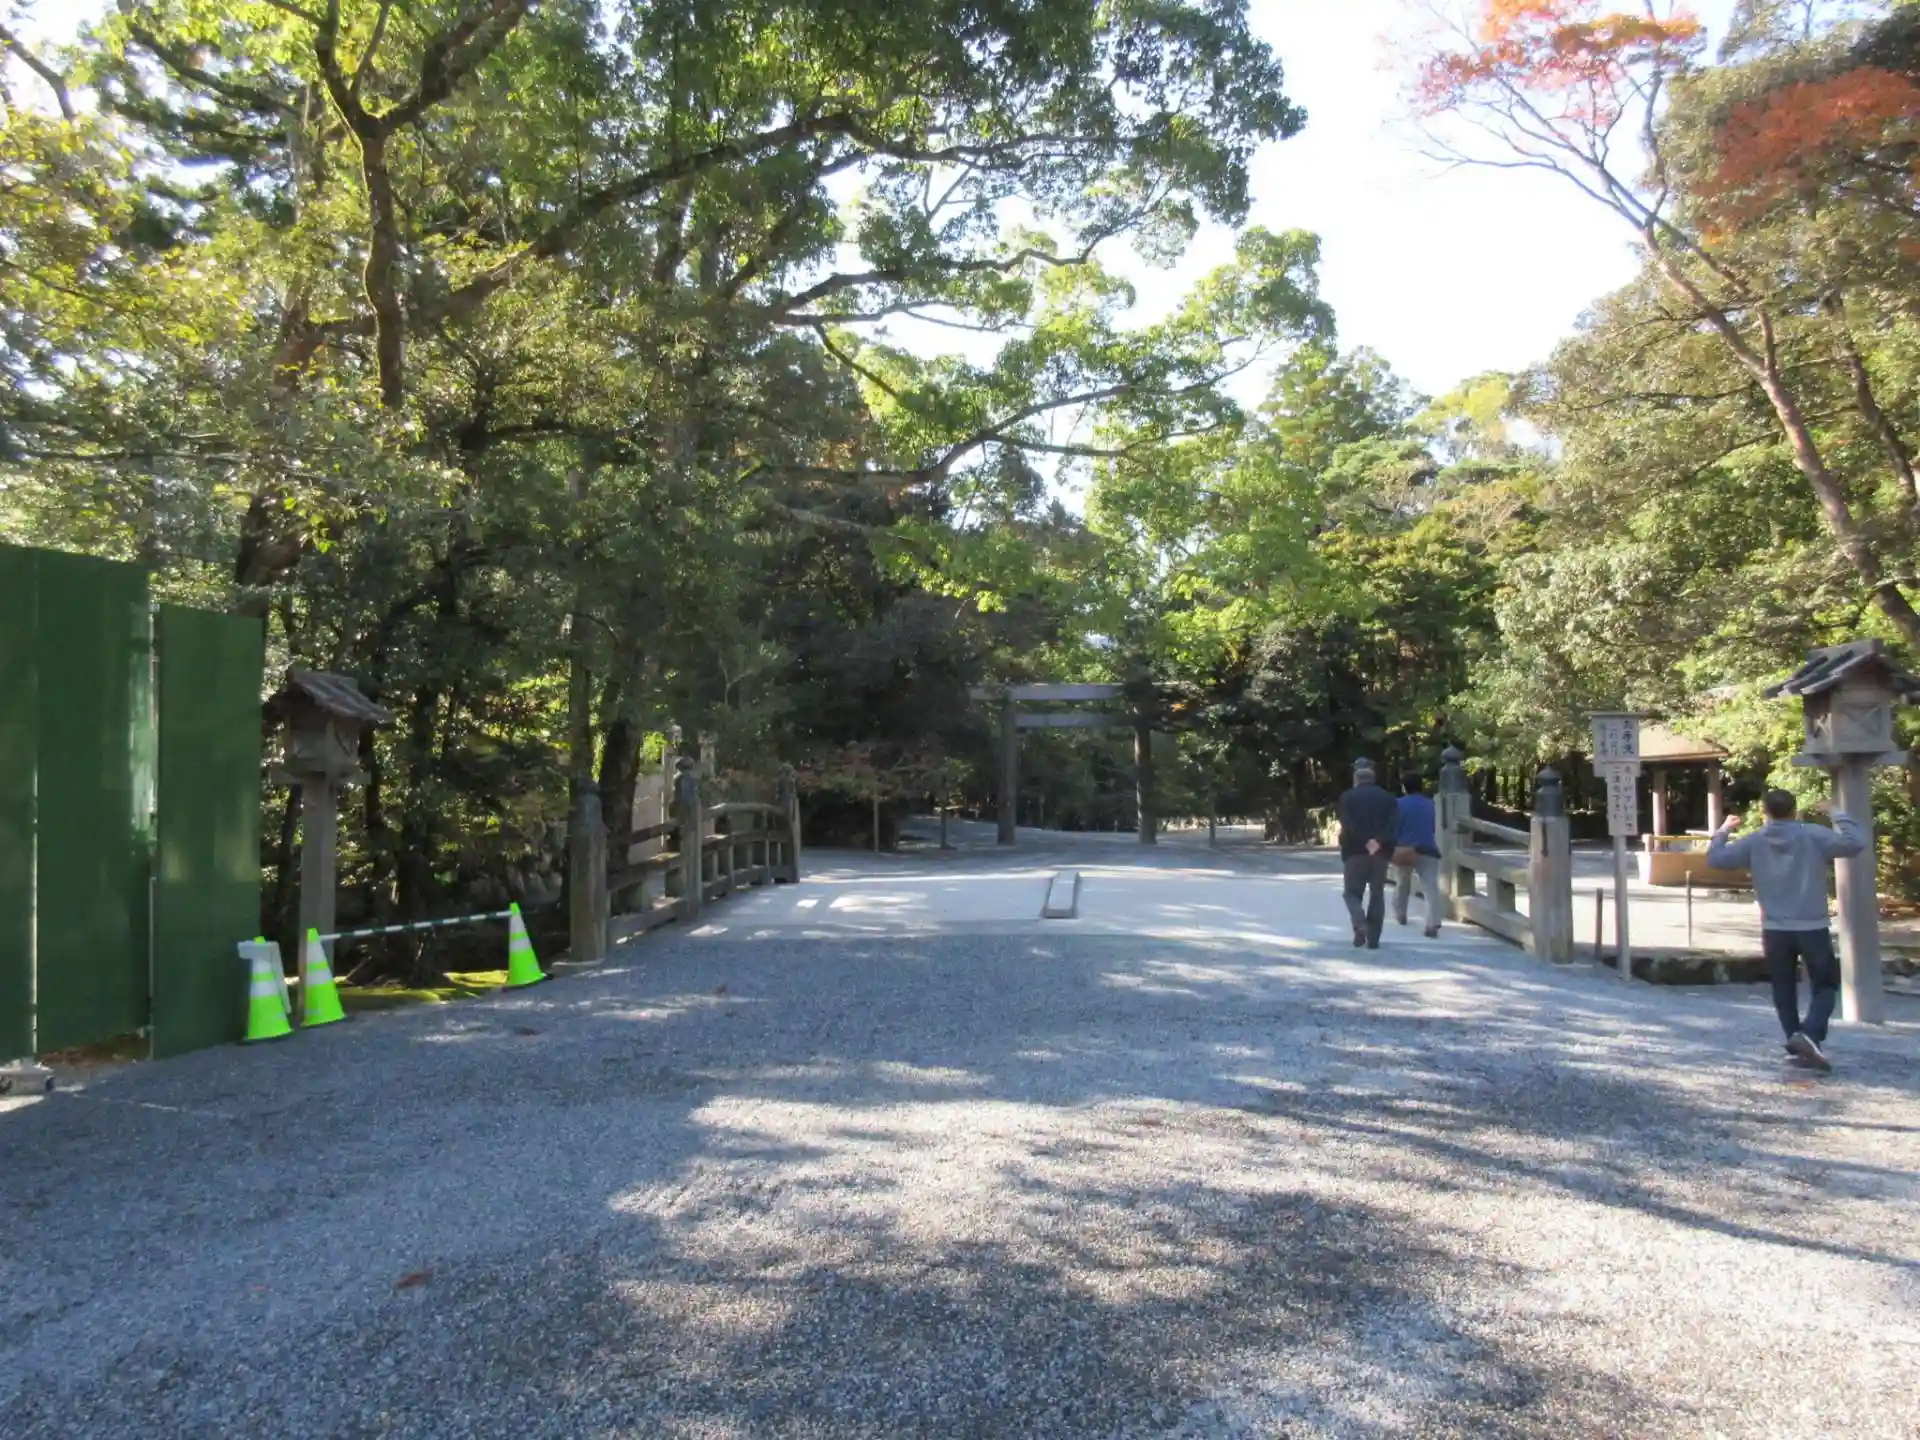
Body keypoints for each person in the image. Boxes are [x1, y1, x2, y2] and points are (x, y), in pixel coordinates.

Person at [1706, 789, 1866, 1074]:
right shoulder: (1812, 835)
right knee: (1825, 984)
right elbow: (1855, 842)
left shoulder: (1754, 841)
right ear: (1794, 810)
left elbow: (1716, 859)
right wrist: (1835, 812)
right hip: (1812, 925)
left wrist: (1723, 830)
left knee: (1783, 987)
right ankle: (1810, 1034)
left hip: (1774, 927)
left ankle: (1796, 1041)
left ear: (1764, 812)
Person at [1337, 761, 1399, 949]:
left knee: (1351, 893)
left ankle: (1360, 923)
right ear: (1374, 779)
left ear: (1356, 779)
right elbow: (1393, 825)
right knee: (1377, 894)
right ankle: (1373, 939)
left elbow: (1347, 824)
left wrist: (1364, 840)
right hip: (1380, 852)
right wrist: (1377, 841)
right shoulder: (1388, 798)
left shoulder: (1347, 797)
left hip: (1355, 851)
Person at [1392, 772, 1443, 938]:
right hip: (1427, 847)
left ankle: (1400, 913)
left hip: (1404, 848)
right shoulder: (1431, 804)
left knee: (1402, 882)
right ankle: (1432, 923)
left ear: (1404, 787)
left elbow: (1394, 827)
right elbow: (1434, 826)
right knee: (1430, 886)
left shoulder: (1398, 804)